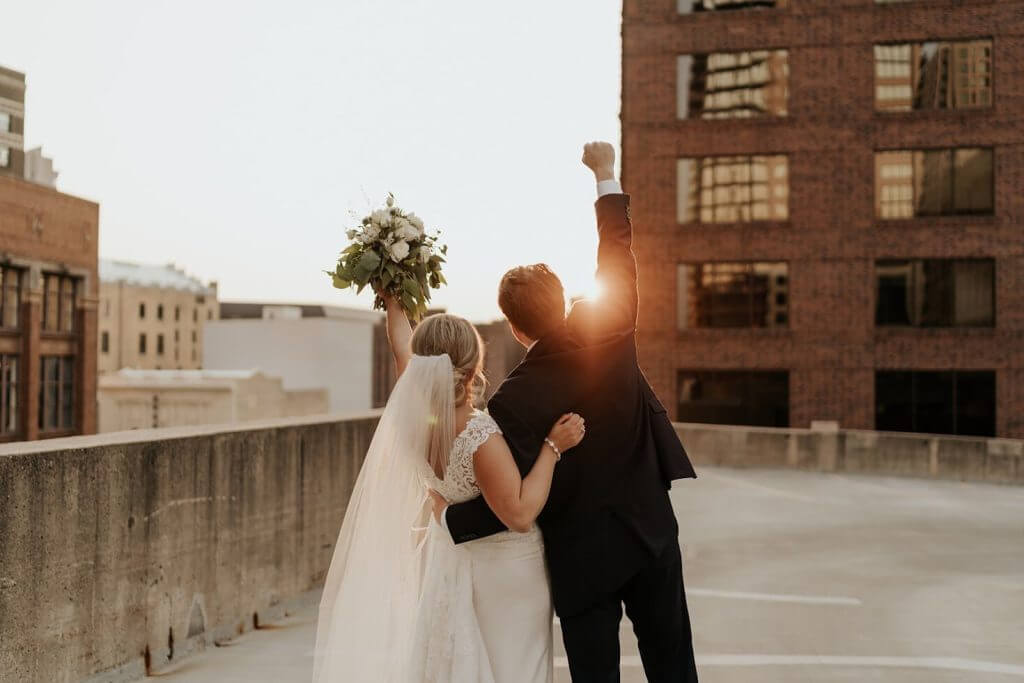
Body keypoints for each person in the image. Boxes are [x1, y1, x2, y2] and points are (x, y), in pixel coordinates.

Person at [435, 141, 700, 682]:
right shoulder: (614, 327)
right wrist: (605, 174)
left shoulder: (512, 399)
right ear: (562, 301)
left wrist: (446, 516)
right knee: (674, 669)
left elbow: (510, 496)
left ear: (513, 326)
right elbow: (617, 250)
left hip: (582, 564)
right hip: (650, 533)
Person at [312, 304, 584, 682]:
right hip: (506, 575)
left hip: (454, 563)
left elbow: (401, 347)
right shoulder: (478, 436)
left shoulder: (415, 420)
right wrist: (552, 448)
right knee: (516, 669)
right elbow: (519, 514)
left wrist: (394, 299)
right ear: (474, 367)